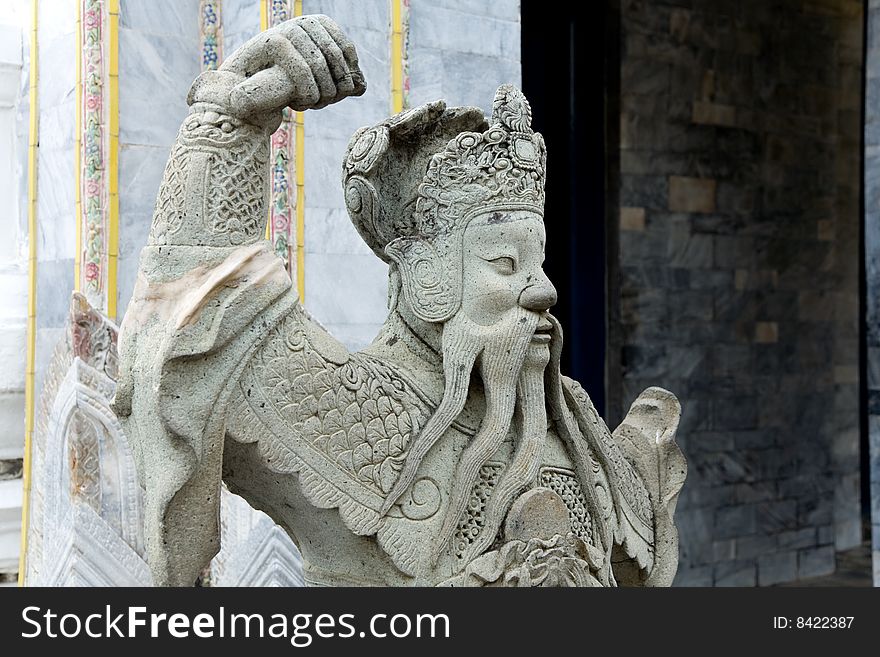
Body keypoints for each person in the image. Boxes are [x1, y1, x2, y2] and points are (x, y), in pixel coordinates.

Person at [115, 15, 686, 587]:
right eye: (504, 263)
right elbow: (201, 304)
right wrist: (232, 117)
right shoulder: (352, 410)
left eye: (536, 261)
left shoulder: (578, 431)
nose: (544, 289)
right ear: (426, 273)